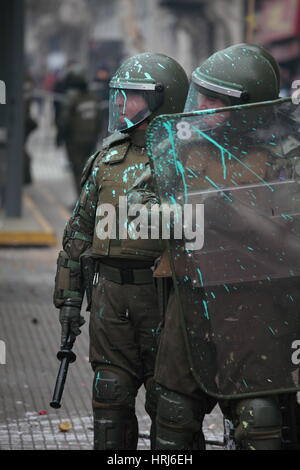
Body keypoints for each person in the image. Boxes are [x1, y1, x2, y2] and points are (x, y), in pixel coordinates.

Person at [130, 43, 300, 450]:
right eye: (200, 93)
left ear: (248, 107)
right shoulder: (177, 148)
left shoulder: (282, 158)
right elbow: (137, 213)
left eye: (216, 99)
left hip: (256, 304)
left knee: (258, 417)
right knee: (172, 414)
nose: (201, 105)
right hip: (190, 302)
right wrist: (190, 214)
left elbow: (292, 240)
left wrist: (238, 218)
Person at [53, 52, 189, 450]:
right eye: (121, 95)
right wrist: (68, 301)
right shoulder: (107, 159)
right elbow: (77, 234)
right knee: (109, 398)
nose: (121, 104)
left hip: (166, 300)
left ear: (163, 100)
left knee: (173, 411)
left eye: (131, 96)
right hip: (111, 300)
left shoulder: (188, 161)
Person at [57, 71, 102, 196]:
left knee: (78, 170)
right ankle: (89, 198)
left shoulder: (71, 98)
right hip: (91, 139)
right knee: (89, 169)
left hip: (74, 140)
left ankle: (81, 201)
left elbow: (64, 120)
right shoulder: (93, 97)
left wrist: (60, 137)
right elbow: (99, 119)